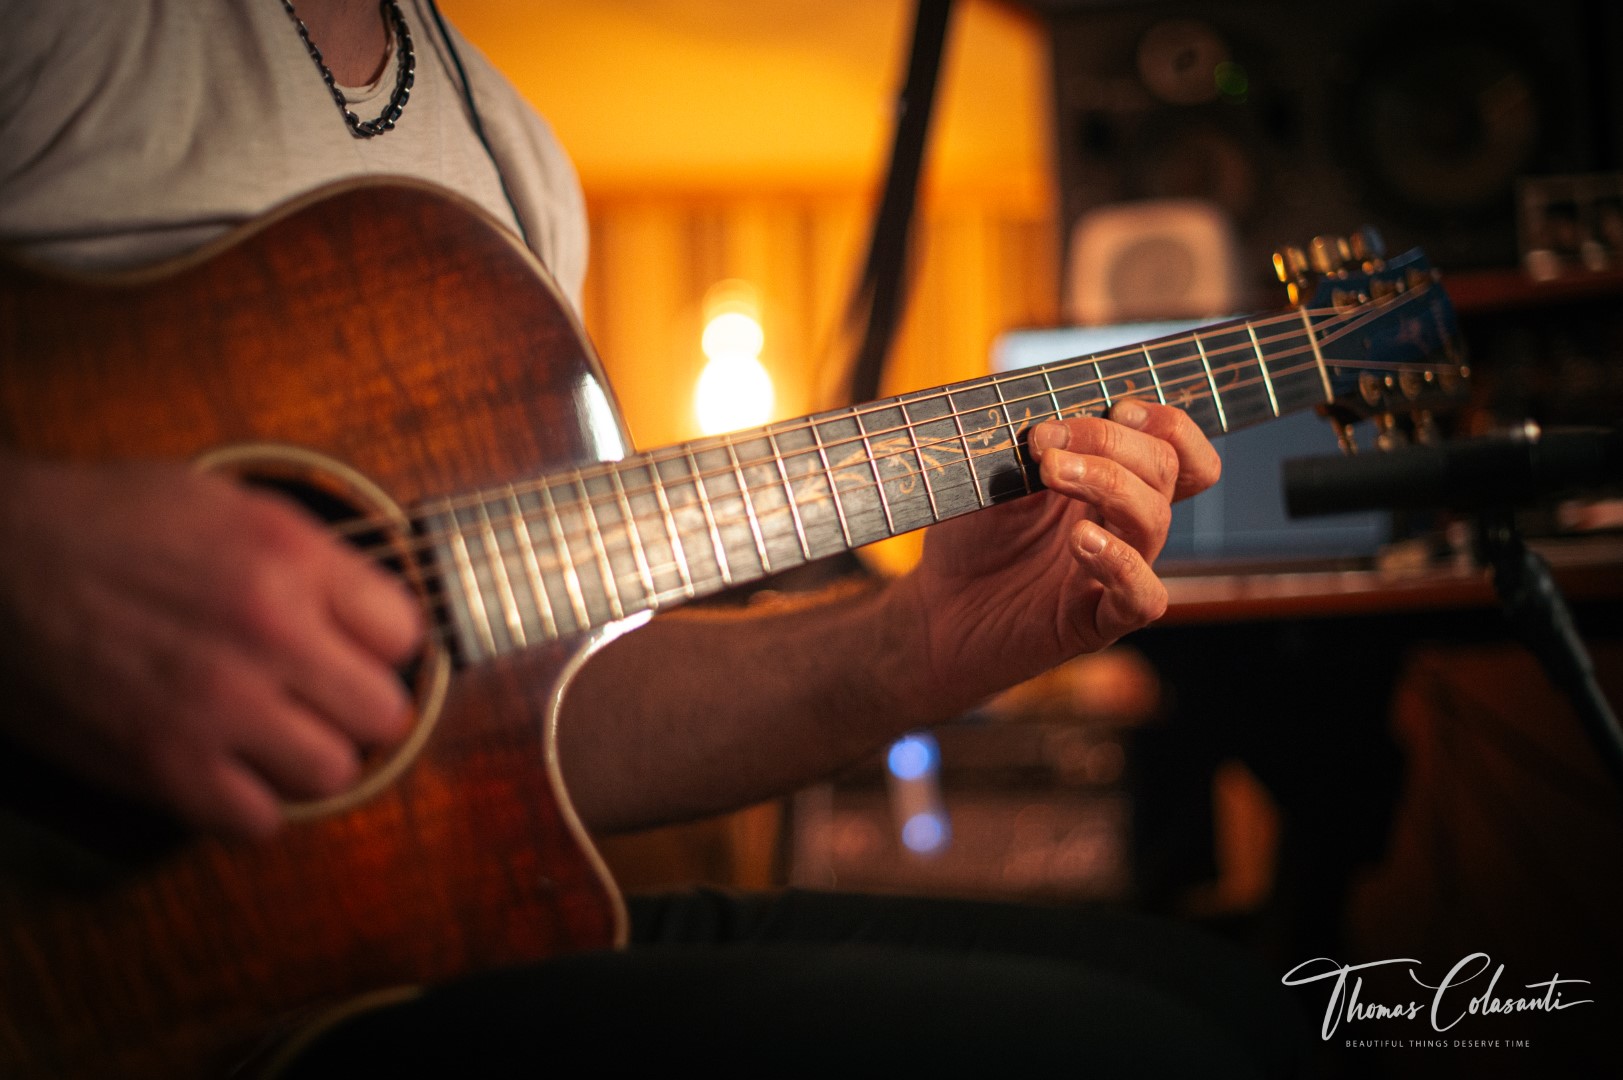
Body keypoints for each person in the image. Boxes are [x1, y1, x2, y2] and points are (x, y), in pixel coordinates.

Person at [0, 2, 1298, 1075]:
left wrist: (917, 640)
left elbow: (558, 724)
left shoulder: (503, 150)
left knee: (1231, 1004)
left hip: (396, 950)